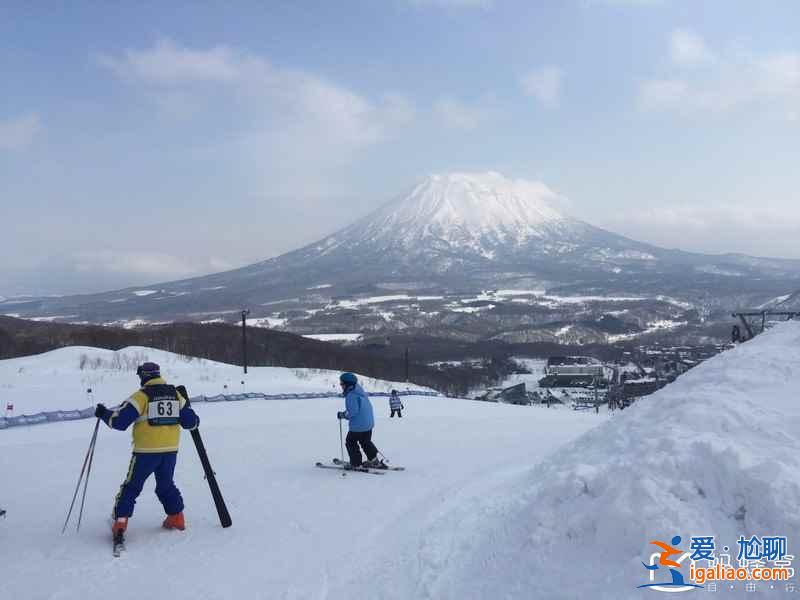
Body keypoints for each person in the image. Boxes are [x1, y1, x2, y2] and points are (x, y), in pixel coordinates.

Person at [94, 362, 199, 539]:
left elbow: (119, 422)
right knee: (166, 485)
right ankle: (176, 517)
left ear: (143, 376)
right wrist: (187, 408)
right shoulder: (175, 395)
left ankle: (120, 522)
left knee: (131, 486)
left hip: (145, 452)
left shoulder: (141, 396)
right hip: (170, 451)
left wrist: (103, 413)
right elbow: (191, 423)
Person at [336, 372, 384, 469]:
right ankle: (374, 460)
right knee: (365, 441)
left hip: (359, 426)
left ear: (348, 385)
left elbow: (352, 412)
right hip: (368, 423)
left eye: (342, 384)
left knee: (350, 442)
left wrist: (342, 415)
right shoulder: (360, 391)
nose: (341, 386)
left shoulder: (351, 395)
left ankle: (356, 463)